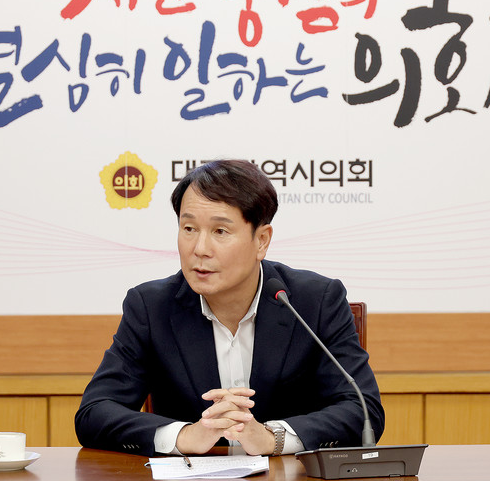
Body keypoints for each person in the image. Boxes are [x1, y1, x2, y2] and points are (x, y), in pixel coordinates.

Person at [75, 159, 384, 456]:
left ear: (261, 241)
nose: (200, 249)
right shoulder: (151, 307)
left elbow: (362, 409)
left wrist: (272, 438)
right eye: (189, 229)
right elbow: (94, 413)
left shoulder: (314, 301)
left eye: (220, 231)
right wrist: (185, 435)